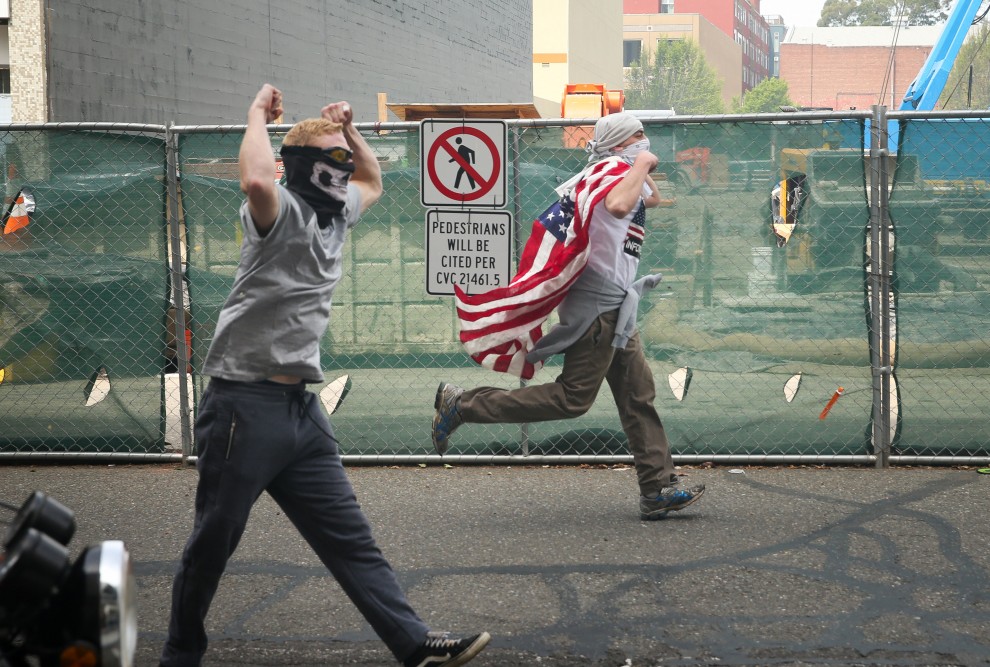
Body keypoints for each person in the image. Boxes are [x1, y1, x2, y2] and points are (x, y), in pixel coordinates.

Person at [160, 84, 490, 667]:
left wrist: (353, 129)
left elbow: (372, 181)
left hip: (299, 414)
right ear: (305, 166)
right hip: (242, 406)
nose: (343, 165)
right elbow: (258, 180)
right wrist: (256, 114)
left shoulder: (335, 218)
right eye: (331, 156)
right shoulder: (278, 210)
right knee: (214, 541)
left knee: (351, 539)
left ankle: (413, 644)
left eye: (344, 155)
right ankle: (180, 652)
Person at [432, 112, 705, 522]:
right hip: (597, 308)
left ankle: (658, 488)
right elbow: (617, 205)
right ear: (620, 144)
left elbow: (650, 200)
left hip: (617, 307)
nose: (646, 142)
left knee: (637, 394)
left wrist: (640, 168)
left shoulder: (611, 172)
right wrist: (642, 164)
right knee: (573, 398)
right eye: (639, 136)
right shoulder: (612, 173)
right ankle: (465, 405)